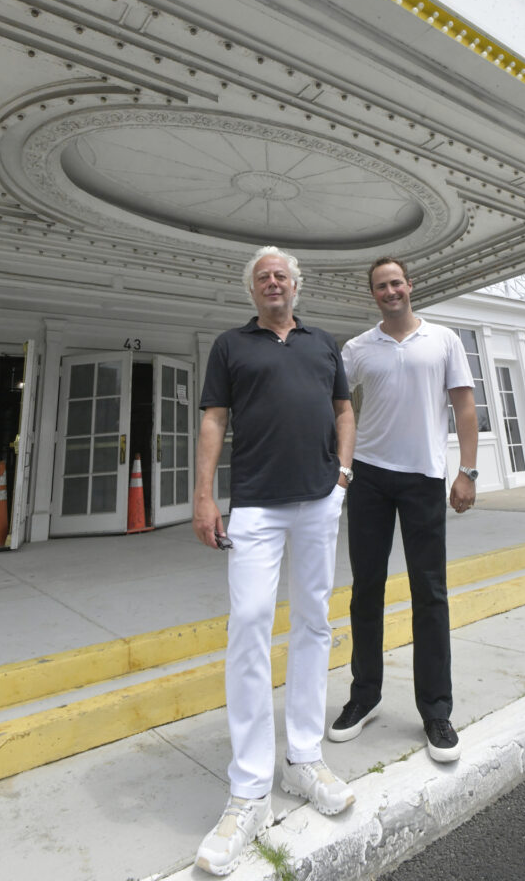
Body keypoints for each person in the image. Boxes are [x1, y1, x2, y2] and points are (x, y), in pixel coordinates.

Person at [193, 246, 356, 875]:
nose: (272, 283)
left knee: (314, 621)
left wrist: (342, 473)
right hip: (255, 506)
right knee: (251, 624)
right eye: (262, 277)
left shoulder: (322, 344)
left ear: (296, 285)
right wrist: (205, 495)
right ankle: (249, 790)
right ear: (252, 290)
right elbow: (213, 420)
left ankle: (304, 760)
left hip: (319, 501)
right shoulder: (232, 346)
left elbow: (345, 409)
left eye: (280, 275)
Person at [328, 256, 479, 763]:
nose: (390, 291)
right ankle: (363, 697)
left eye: (396, 282)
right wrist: (338, 467)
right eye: (380, 286)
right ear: (373, 295)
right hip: (369, 478)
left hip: (423, 478)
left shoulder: (443, 340)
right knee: (365, 590)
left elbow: (463, 407)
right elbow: (336, 405)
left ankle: (435, 709)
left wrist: (467, 471)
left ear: (410, 285)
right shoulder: (356, 348)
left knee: (429, 592)